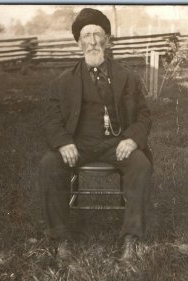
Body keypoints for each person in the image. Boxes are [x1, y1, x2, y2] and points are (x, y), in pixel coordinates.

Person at [39, 8, 153, 262]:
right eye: (86, 36)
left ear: (107, 40)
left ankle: (131, 238)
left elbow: (144, 115)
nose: (92, 41)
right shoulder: (62, 81)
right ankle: (62, 238)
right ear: (78, 43)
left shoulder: (127, 77)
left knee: (141, 164)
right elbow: (50, 119)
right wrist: (63, 142)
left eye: (97, 35)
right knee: (49, 164)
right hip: (77, 145)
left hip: (117, 144)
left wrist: (132, 138)